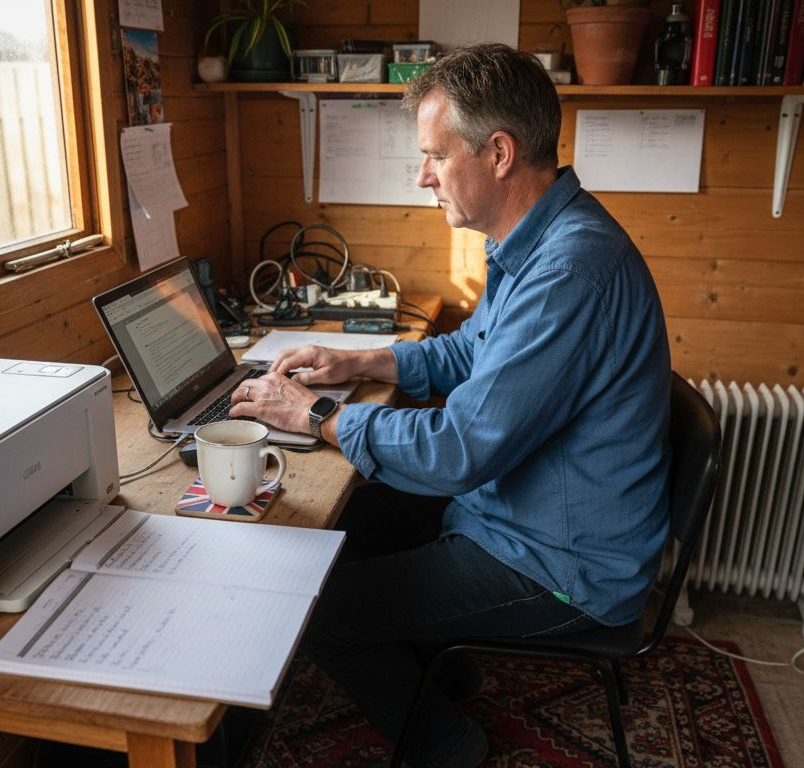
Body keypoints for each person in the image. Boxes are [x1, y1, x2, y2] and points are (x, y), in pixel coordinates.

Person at [229, 42, 671, 768]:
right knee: (345, 523)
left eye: (436, 154)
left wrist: (315, 415)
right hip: (519, 511)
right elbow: (472, 353)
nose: (422, 175)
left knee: (315, 609)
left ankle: (446, 744)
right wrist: (361, 359)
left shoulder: (569, 271)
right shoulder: (539, 238)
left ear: (498, 153)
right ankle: (451, 669)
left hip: (562, 564)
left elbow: (458, 449)